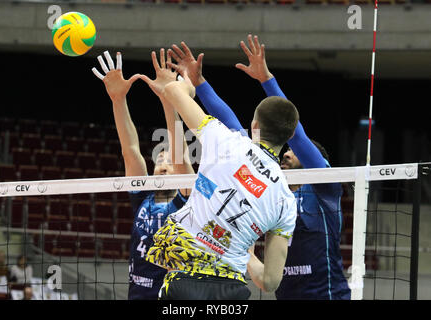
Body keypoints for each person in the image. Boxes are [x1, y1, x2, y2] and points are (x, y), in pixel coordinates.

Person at [168, 35, 350, 300]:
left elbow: (296, 135)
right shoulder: (278, 195)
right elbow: (231, 124)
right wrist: (200, 82)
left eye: (294, 153)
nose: (287, 155)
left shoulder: (325, 190)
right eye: (286, 151)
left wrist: (267, 80)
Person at [138, 54, 299, 300]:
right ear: (288, 138)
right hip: (232, 292)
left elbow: (172, 92)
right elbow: (270, 282)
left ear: (254, 126)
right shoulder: (287, 203)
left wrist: (187, 84)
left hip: (183, 282)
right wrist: (244, 251)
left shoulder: (226, 140)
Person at [92, 50, 194, 300]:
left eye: (168, 161)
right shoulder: (143, 198)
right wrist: (118, 99)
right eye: (159, 159)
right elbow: (130, 151)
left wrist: (169, 99)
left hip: (174, 296)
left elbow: (181, 156)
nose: (162, 163)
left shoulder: (187, 199)